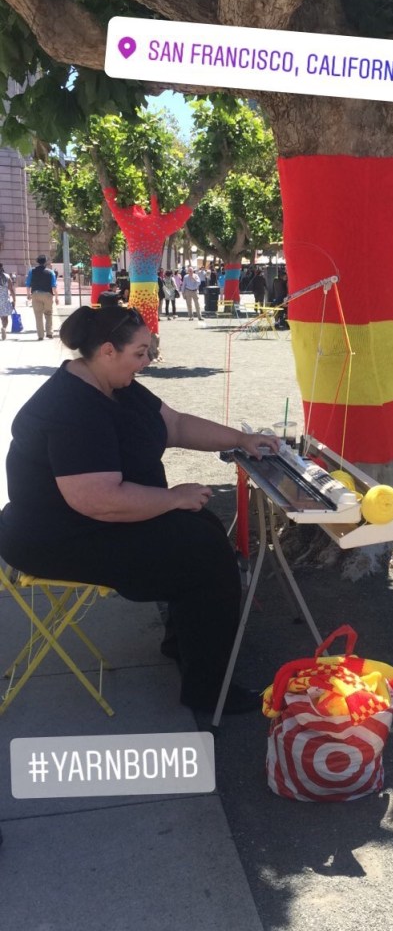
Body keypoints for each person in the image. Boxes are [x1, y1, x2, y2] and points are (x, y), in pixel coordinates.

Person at [0, 306, 279, 713]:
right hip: (56, 537)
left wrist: (240, 439)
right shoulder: (72, 407)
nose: (148, 361)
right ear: (108, 351)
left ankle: (187, 644)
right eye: (141, 352)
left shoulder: (115, 384)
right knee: (204, 553)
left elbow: (177, 425)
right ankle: (208, 690)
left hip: (87, 521)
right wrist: (173, 498)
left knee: (203, 529)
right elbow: (98, 499)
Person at [25, 254, 58, 340]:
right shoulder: (51, 272)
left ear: (37, 262)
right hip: (47, 294)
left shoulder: (32, 271)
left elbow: (28, 284)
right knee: (48, 313)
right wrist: (57, 297)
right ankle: (49, 333)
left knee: (38, 315)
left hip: (35, 294)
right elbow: (54, 286)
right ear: (45, 262)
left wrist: (28, 294)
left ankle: (40, 335)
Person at [0, 263, 16, 341]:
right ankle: (4, 328)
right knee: (4, 318)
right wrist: (14, 300)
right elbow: (11, 290)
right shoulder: (6, 277)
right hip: (4, 300)